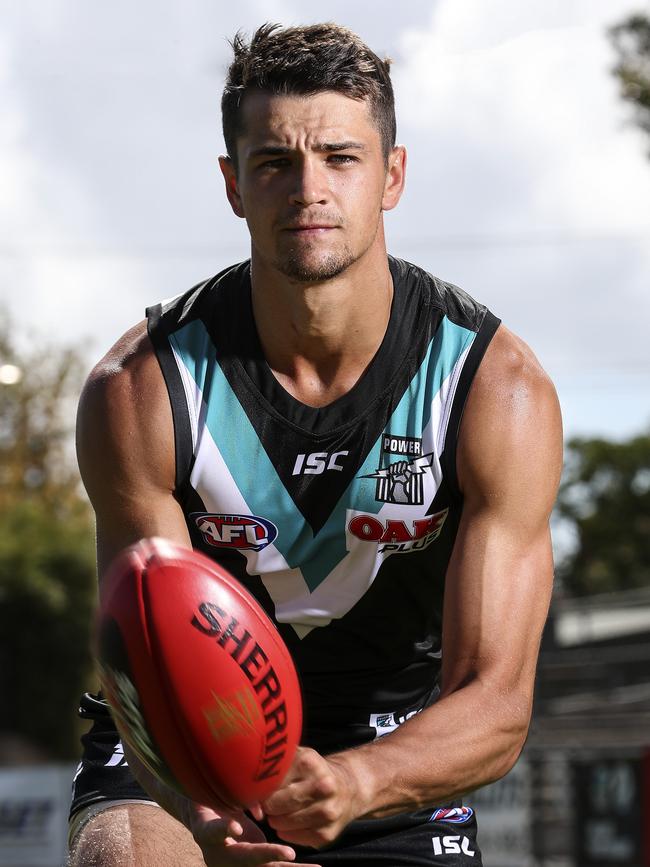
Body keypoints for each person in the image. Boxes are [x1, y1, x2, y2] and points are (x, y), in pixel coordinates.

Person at [67, 21, 563, 867]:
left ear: (391, 175)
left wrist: (360, 782)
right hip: (188, 744)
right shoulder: (143, 390)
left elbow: (496, 702)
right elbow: (136, 656)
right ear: (233, 185)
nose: (309, 188)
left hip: (394, 758)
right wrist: (202, 811)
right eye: (274, 162)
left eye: (341, 157)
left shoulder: (492, 388)